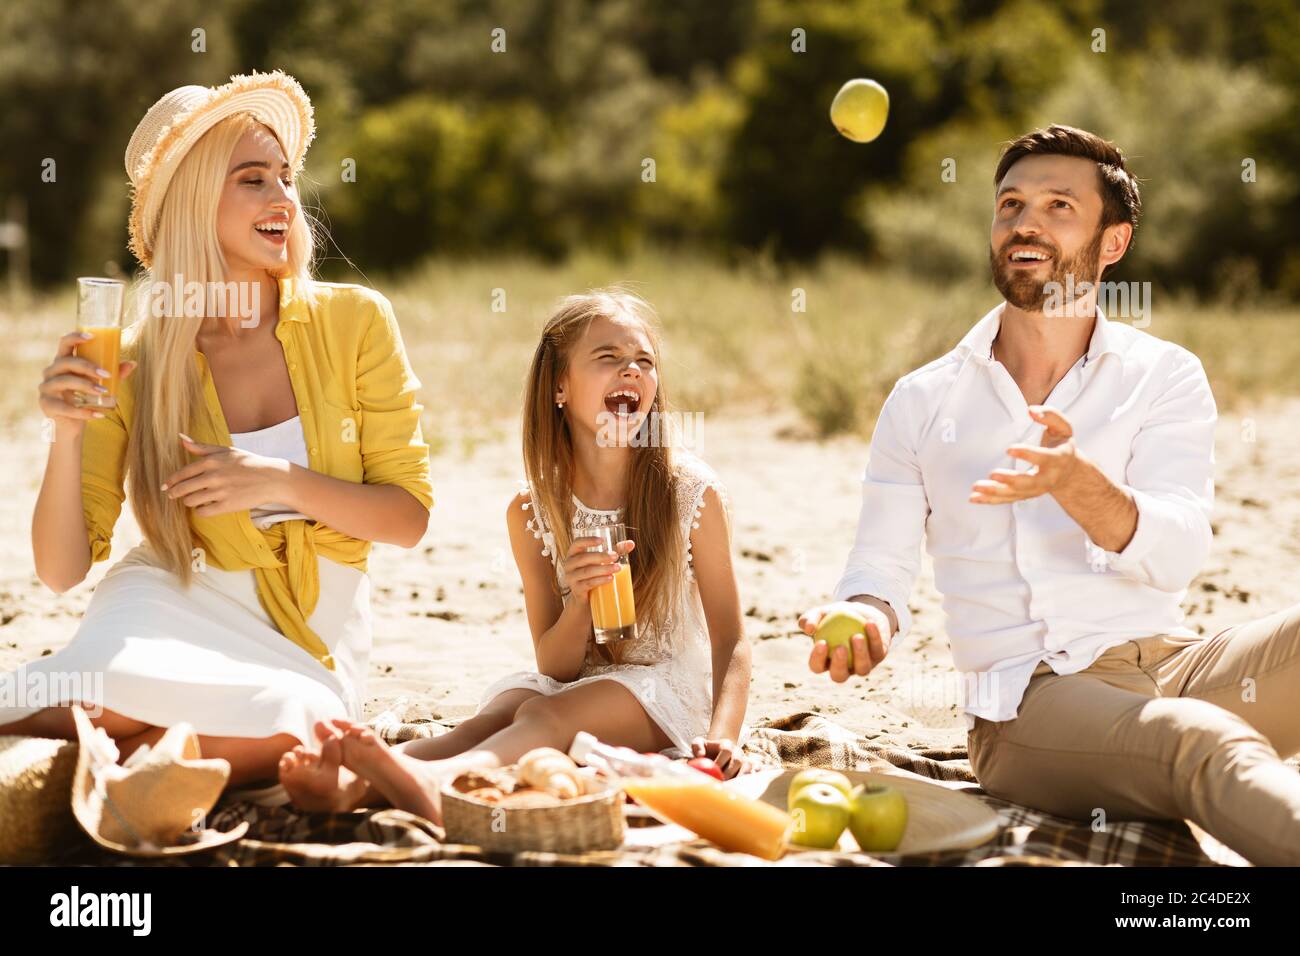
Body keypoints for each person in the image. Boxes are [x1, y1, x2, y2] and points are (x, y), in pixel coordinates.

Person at [798, 124, 1300, 866]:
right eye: (1011, 205)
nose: (1024, 222)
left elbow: (1179, 551)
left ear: (1113, 244)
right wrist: (861, 612)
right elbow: (879, 569)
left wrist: (1076, 483)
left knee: (1202, 718)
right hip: (1028, 707)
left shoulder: (1163, 375)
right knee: (1203, 743)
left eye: (1059, 205)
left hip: (1168, 667)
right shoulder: (922, 400)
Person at [0, 72, 433, 793]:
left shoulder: (356, 320)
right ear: (196, 202)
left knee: (294, 727)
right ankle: (105, 765)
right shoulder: (138, 356)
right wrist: (66, 433)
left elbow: (407, 519)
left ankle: (80, 771)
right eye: (253, 179)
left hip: (306, 629)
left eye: (286, 178)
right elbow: (62, 570)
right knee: (95, 691)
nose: (284, 198)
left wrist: (276, 481)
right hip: (171, 595)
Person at [279, 288, 752, 822]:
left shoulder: (690, 492)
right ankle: (357, 783)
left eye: (644, 361)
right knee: (501, 713)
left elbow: (731, 640)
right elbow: (555, 663)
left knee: (542, 713)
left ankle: (430, 785)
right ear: (559, 387)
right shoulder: (533, 508)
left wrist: (724, 738)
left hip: (669, 693)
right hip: (580, 685)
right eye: (609, 358)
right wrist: (581, 604)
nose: (632, 372)